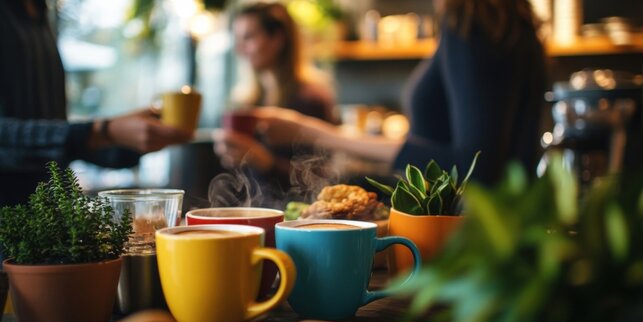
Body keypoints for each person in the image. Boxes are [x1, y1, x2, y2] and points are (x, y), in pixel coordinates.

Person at [219, 0, 546, 186]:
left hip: (469, 243)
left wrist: (315, 133)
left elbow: (476, 167)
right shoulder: (507, 20)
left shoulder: (472, 21)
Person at [0, 0, 192, 206]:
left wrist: (130, 137)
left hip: (51, 217)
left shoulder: (40, 13)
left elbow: (64, 144)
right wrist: (103, 131)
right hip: (10, 222)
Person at [213, 1, 338, 196]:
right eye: (237, 39)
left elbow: (324, 179)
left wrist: (266, 162)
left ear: (277, 39)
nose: (239, 49)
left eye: (248, 37)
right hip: (250, 212)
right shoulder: (247, 101)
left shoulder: (311, 100)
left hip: (293, 217)